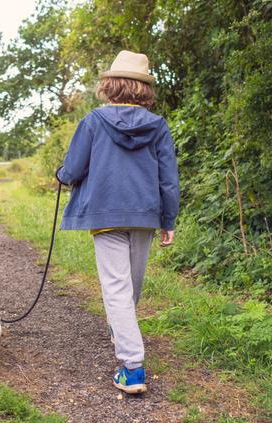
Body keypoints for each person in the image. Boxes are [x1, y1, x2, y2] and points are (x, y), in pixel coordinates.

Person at [55, 50, 180, 394]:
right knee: (129, 287)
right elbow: (168, 179)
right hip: (144, 216)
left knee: (119, 289)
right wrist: (168, 219)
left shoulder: (94, 122)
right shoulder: (158, 126)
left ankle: (133, 369)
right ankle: (124, 338)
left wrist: (62, 175)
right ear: (144, 90)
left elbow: (74, 168)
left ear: (110, 84)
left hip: (106, 215)